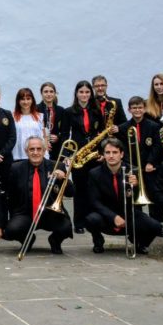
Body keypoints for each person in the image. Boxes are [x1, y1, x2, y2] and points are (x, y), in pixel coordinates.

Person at [85, 138, 162, 255]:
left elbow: (141, 202)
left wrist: (136, 186)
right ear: (103, 155)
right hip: (106, 215)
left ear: (121, 154)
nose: (111, 156)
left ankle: (140, 243)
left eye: (115, 152)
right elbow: (95, 202)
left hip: (129, 213)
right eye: (108, 152)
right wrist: (113, 217)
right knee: (91, 219)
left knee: (156, 227)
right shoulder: (94, 173)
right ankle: (98, 241)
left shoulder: (133, 170)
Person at [2, 136, 73, 254]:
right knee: (11, 229)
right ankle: (27, 240)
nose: (35, 152)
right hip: (26, 213)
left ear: (44, 151)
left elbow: (71, 193)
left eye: (39, 149)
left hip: (51, 213)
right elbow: (11, 195)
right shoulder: (16, 168)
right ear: (26, 151)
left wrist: (63, 179)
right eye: (32, 149)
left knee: (66, 227)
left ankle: (55, 241)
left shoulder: (57, 166)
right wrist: (14, 216)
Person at [118, 96, 163, 232]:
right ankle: (138, 224)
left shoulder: (153, 126)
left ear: (144, 109)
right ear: (129, 110)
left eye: (140, 107)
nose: (137, 110)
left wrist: (151, 162)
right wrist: (130, 165)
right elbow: (123, 149)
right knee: (134, 195)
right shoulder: (124, 128)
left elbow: (157, 146)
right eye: (134, 108)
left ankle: (157, 225)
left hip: (149, 167)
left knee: (154, 195)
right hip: (132, 167)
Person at [65, 80, 103, 234]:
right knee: (80, 190)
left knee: (93, 189)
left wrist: (101, 153)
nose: (84, 95)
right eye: (81, 92)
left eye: (87, 92)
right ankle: (79, 222)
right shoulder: (69, 112)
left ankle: (91, 220)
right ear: (76, 94)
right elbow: (64, 135)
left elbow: (100, 133)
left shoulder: (96, 111)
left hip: (94, 154)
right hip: (79, 155)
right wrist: (67, 155)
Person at [12, 88, 45, 164]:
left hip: (36, 155)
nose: (25, 102)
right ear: (18, 101)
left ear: (32, 100)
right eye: (22, 99)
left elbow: (44, 136)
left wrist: (44, 152)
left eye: (28, 99)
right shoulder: (12, 116)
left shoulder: (39, 116)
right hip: (18, 155)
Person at [37, 82, 65, 159]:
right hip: (39, 147)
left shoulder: (61, 110)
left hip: (56, 149)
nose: (49, 94)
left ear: (55, 93)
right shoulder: (35, 109)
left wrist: (58, 137)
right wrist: (43, 141)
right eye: (46, 92)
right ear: (41, 93)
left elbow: (65, 131)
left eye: (51, 91)